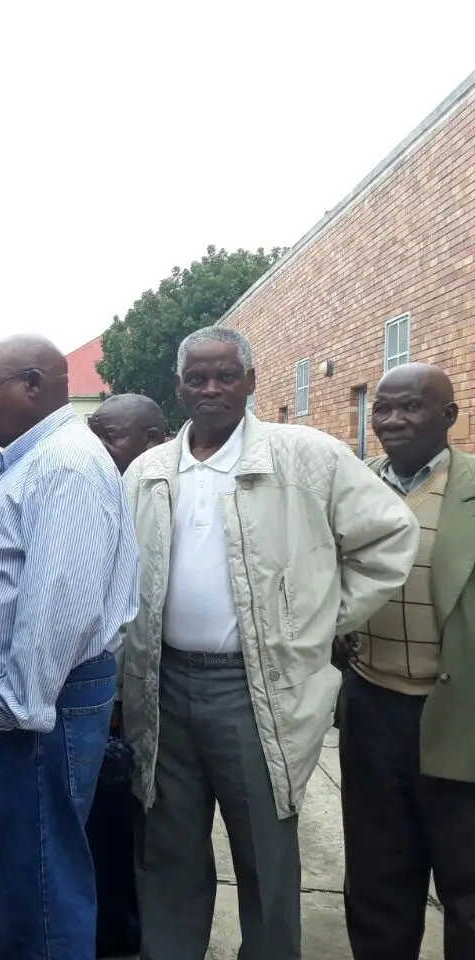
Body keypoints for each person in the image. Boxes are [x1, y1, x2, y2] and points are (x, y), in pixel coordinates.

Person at [123, 326, 419, 960]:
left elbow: (392, 536)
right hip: (163, 685)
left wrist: (317, 621)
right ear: (178, 388)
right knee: (168, 849)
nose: (210, 388)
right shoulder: (150, 471)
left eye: (225, 375)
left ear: (251, 381)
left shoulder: (304, 456)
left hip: (255, 689)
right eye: (196, 377)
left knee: (265, 853)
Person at [0, 333, 137, 960]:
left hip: (41, 702)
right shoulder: (32, 459)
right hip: (29, 696)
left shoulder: (64, 465)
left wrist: (15, 704)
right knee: (20, 870)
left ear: (31, 385)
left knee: (39, 878)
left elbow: (59, 602)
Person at [342, 362, 475, 959]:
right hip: (372, 707)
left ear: (449, 416)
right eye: (383, 409)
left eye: (412, 407)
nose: (393, 421)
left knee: (466, 881)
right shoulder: (353, 487)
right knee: (377, 878)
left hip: (458, 715)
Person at [87, 392, 167, 959]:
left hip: (151, 694)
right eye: (94, 433)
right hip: (100, 697)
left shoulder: (168, 505)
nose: (99, 447)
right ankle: (111, 927)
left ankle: (132, 929)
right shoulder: (92, 494)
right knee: (103, 824)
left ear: (154, 441)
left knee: (144, 824)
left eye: (111, 436)